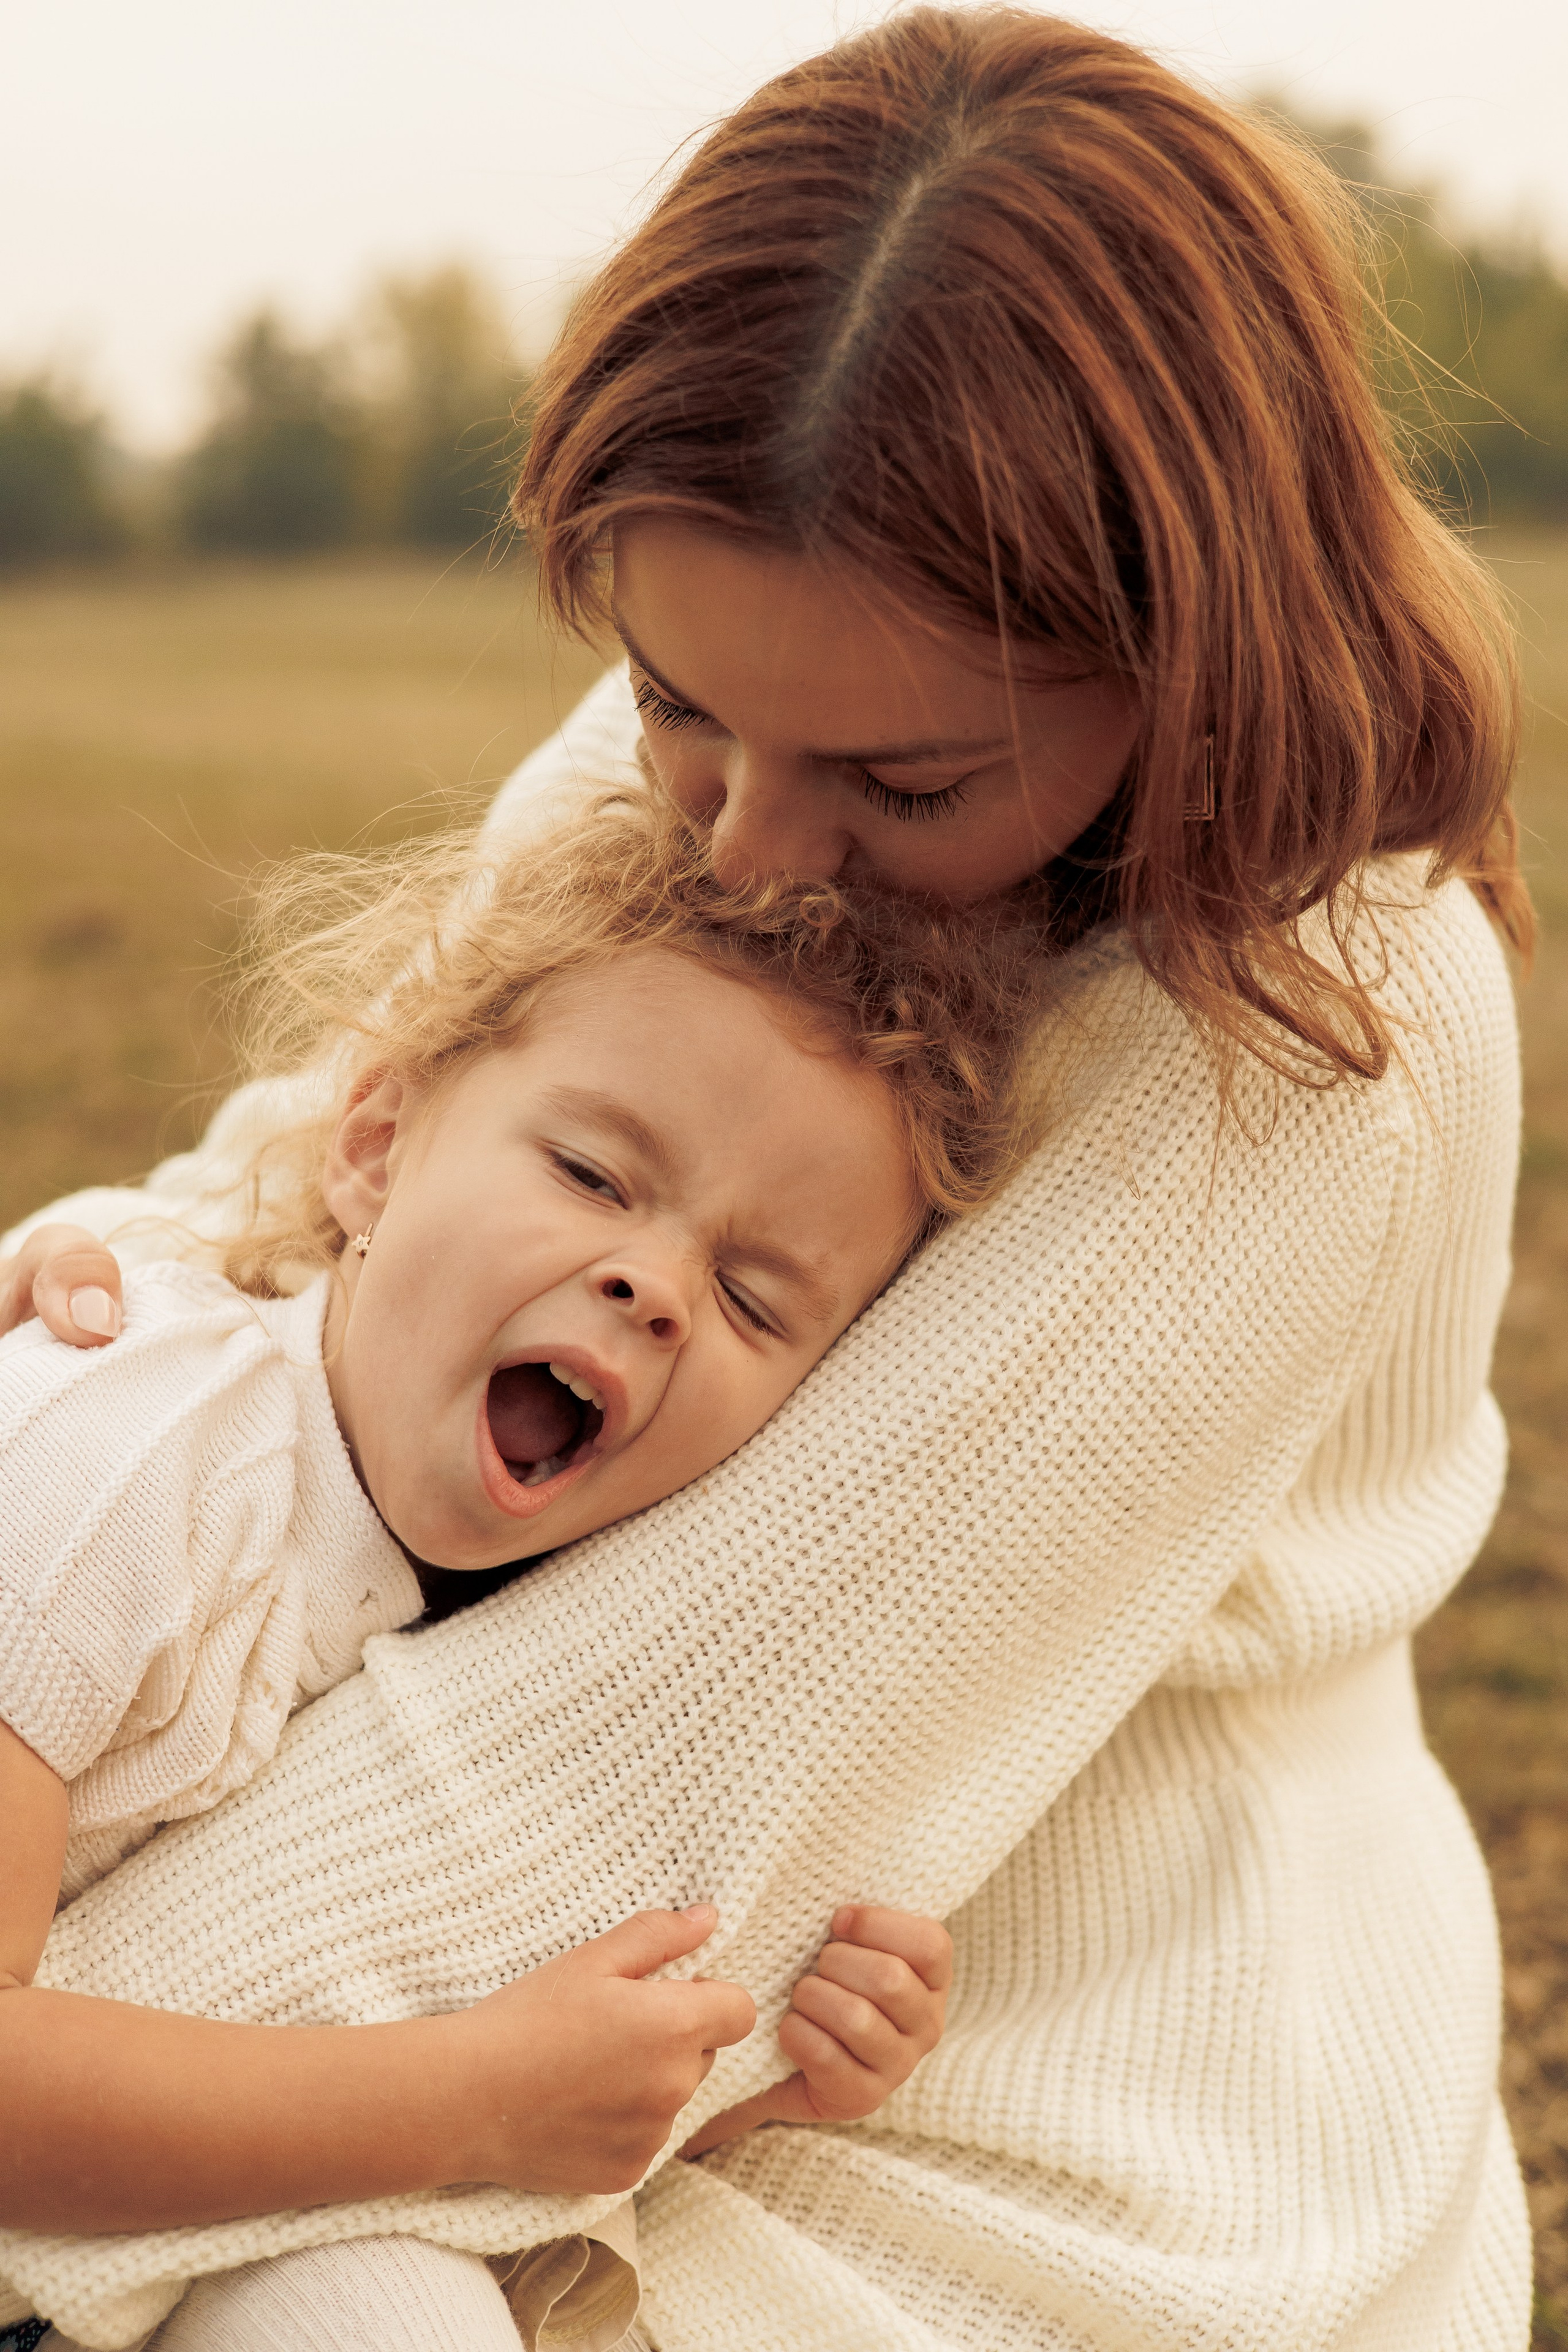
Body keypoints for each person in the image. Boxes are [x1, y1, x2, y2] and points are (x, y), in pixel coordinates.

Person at [0, 9, 1532, 2348]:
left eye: (901, 789)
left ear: (1190, 656)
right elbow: (297, 1188)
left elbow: (618, 1782)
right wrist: (104, 1294)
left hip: (1011, 2120)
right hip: (523, 2037)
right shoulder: (787, 705)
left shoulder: (1332, 1026)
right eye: (664, 701)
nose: (739, 845)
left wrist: (65, 2065)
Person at [0, 797, 1023, 2346]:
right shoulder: (130, 1454)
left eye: (751, 1301)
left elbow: (526, 2092)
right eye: (594, 1176)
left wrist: (759, 2071)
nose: (653, 1286)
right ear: (375, 1146)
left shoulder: (549, 1632)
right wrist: (461, 2103)